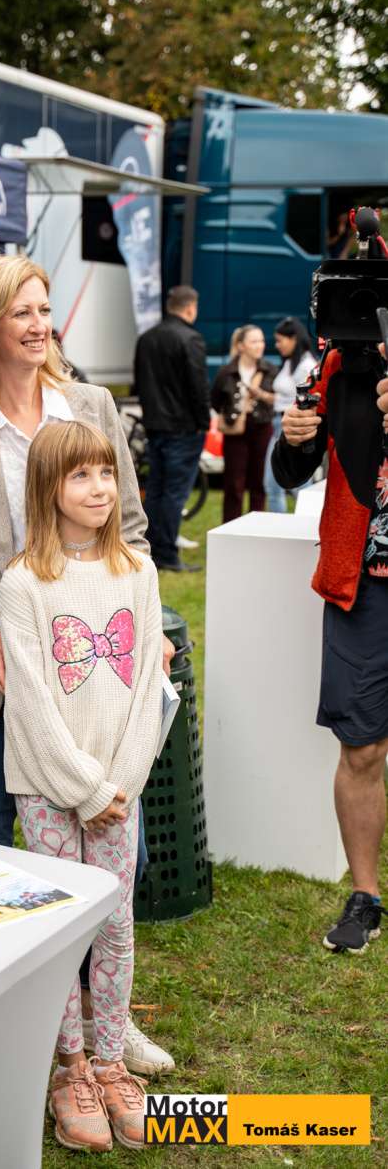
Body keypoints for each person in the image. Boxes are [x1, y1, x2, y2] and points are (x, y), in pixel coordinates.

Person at [0, 252, 174, 1079]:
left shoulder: (89, 405)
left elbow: (131, 527)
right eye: (22, 312)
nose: (40, 325)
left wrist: (145, 625)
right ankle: (16, 1025)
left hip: (93, 662)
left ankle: (104, 1023)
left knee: (112, 855)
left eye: (45, 310)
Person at [0, 420, 165, 1152]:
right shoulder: (22, 583)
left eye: (106, 473)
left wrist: (116, 785)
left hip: (119, 791)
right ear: (47, 487)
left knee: (115, 921)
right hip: (47, 788)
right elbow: (31, 700)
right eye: (80, 475)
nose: (99, 489)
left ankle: (109, 1061)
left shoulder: (138, 572)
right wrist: (83, 789)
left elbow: (147, 687)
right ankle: (69, 1068)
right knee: (62, 923)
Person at [274, 343, 387, 954]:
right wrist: (295, 440)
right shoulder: (343, 364)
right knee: (362, 747)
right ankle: (365, 897)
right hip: (364, 584)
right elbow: (291, 471)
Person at [133, 284, 211, 572]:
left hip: (155, 425)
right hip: (184, 427)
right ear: (190, 308)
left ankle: (150, 549)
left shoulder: (147, 339)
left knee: (156, 489)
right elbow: (198, 386)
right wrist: (204, 422)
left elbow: (140, 382)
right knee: (174, 493)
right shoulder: (190, 338)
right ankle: (165, 552)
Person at [211, 325, 277, 523]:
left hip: (262, 428)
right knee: (233, 483)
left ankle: (256, 528)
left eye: (261, 341)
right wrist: (233, 412)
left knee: (259, 482)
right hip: (235, 430)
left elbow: (280, 398)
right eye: (254, 341)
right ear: (241, 346)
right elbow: (215, 401)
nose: (260, 345)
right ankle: (230, 528)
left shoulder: (269, 370)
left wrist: (262, 396)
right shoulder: (226, 372)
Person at [263, 317, 318, 513]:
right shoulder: (291, 363)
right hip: (279, 424)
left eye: (280, 340)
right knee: (275, 485)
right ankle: (286, 523)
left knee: (296, 486)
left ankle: (303, 522)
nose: (277, 345)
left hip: (293, 426)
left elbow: (310, 398)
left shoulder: (306, 365)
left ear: (294, 338)